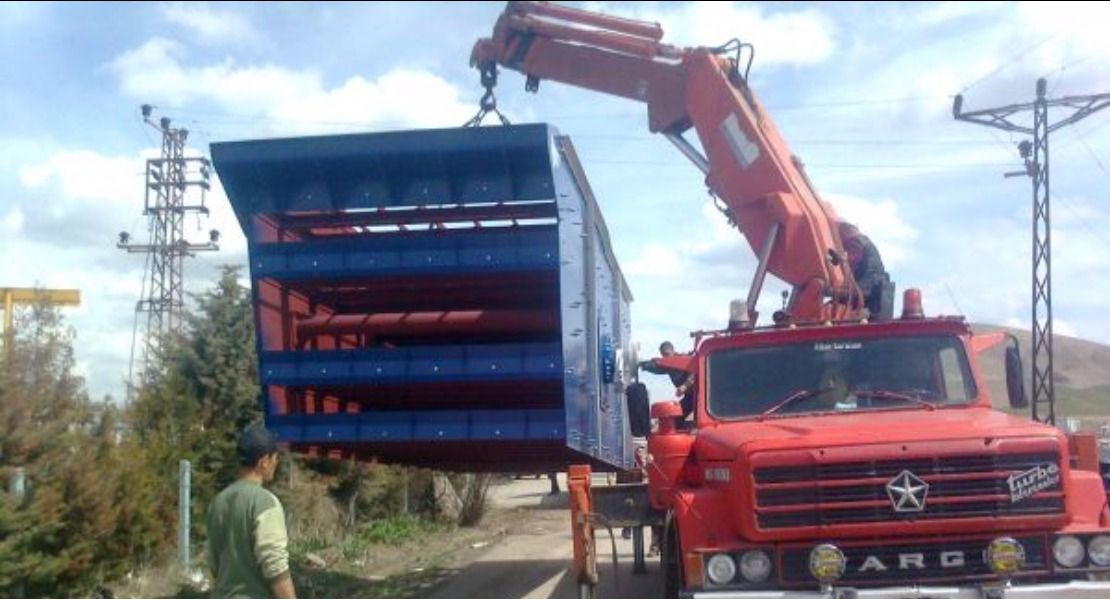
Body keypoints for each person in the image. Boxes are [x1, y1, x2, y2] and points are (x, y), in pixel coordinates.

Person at [206, 424, 296, 599]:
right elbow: (274, 564)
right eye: (275, 458)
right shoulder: (265, 502)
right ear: (263, 462)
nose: (276, 463)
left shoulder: (217, 502)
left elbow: (212, 562)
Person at [838, 222, 890, 317]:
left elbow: (852, 258)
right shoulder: (865, 242)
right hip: (874, 292)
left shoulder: (854, 243)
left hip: (865, 291)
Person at [639, 341, 695, 419]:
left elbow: (696, 372)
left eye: (667, 354)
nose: (666, 358)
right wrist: (641, 364)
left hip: (701, 396)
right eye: (664, 356)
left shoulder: (684, 358)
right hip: (690, 397)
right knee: (676, 419)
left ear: (673, 351)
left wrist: (685, 386)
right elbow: (656, 366)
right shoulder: (667, 365)